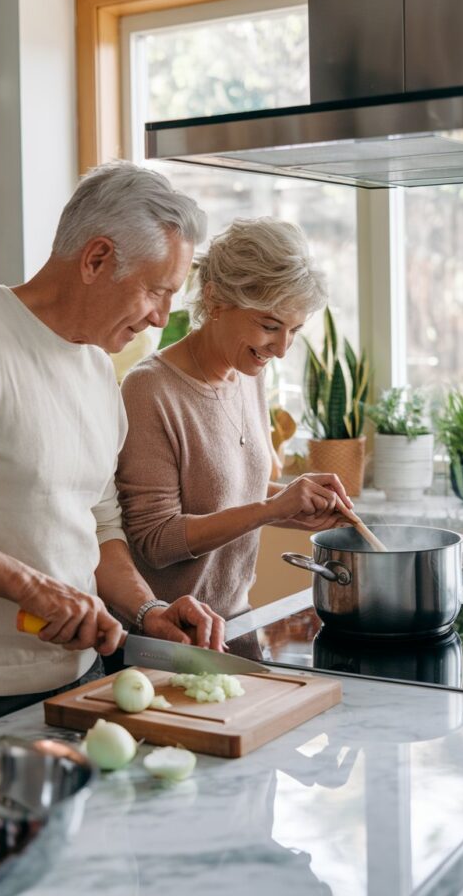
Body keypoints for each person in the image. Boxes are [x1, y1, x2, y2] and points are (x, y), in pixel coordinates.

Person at [0, 160, 225, 737]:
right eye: (156, 291)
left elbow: (100, 526)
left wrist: (147, 612)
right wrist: (34, 589)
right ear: (96, 259)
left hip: (85, 682)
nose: (163, 316)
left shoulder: (96, 368)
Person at [116, 217, 352, 621]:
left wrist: (295, 503)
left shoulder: (247, 375)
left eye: (294, 331)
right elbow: (154, 540)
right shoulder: (149, 389)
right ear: (215, 300)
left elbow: (228, 493)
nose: (280, 349)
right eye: (269, 326)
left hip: (237, 623)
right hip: (169, 636)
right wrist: (270, 508)